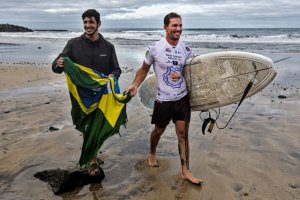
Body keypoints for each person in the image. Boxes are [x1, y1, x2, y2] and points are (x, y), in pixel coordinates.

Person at [127, 12, 202, 185]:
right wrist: (135, 85)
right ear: (165, 27)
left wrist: (202, 98)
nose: (178, 29)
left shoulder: (187, 50)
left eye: (180, 25)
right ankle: (152, 152)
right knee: (158, 131)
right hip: (163, 99)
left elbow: (193, 76)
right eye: (174, 25)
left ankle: (185, 171)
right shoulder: (154, 48)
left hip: (182, 98)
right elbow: (144, 69)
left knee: (183, 134)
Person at [52, 9, 122, 176]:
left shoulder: (108, 47)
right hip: (82, 96)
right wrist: (58, 63)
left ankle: (92, 158)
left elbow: (116, 69)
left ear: (99, 23)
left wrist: (113, 76)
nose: (88, 25)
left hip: (101, 95)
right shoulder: (73, 44)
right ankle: (93, 153)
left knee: (96, 126)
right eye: (85, 22)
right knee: (86, 126)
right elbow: (57, 68)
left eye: (91, 22)